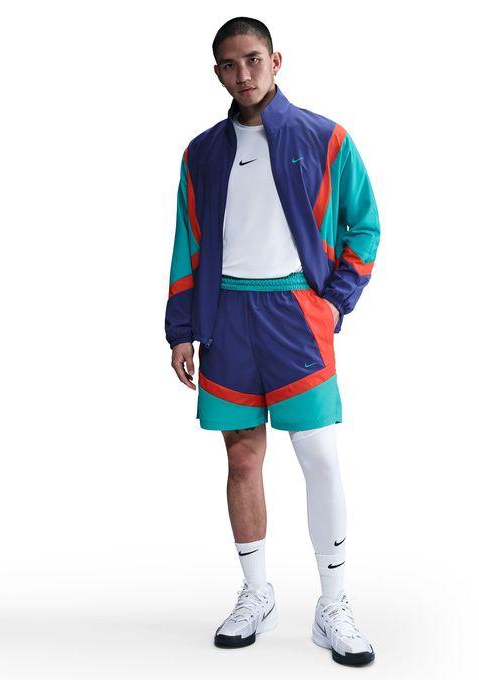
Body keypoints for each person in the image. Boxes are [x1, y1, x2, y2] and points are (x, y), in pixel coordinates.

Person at [164, 17, 381, 667]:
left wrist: (334, 301)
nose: (244, 74)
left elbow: (364, 225)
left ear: (276, 60)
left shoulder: (325, 137)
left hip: (295, 315)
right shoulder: (201, 153)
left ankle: (333, 604)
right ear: (217, 73)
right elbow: (186, 242)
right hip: (227, 315)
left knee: (319, 456)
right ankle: (256, 593)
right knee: (241, 460)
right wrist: (181, 329)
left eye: (254, 59)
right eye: (230, 65)